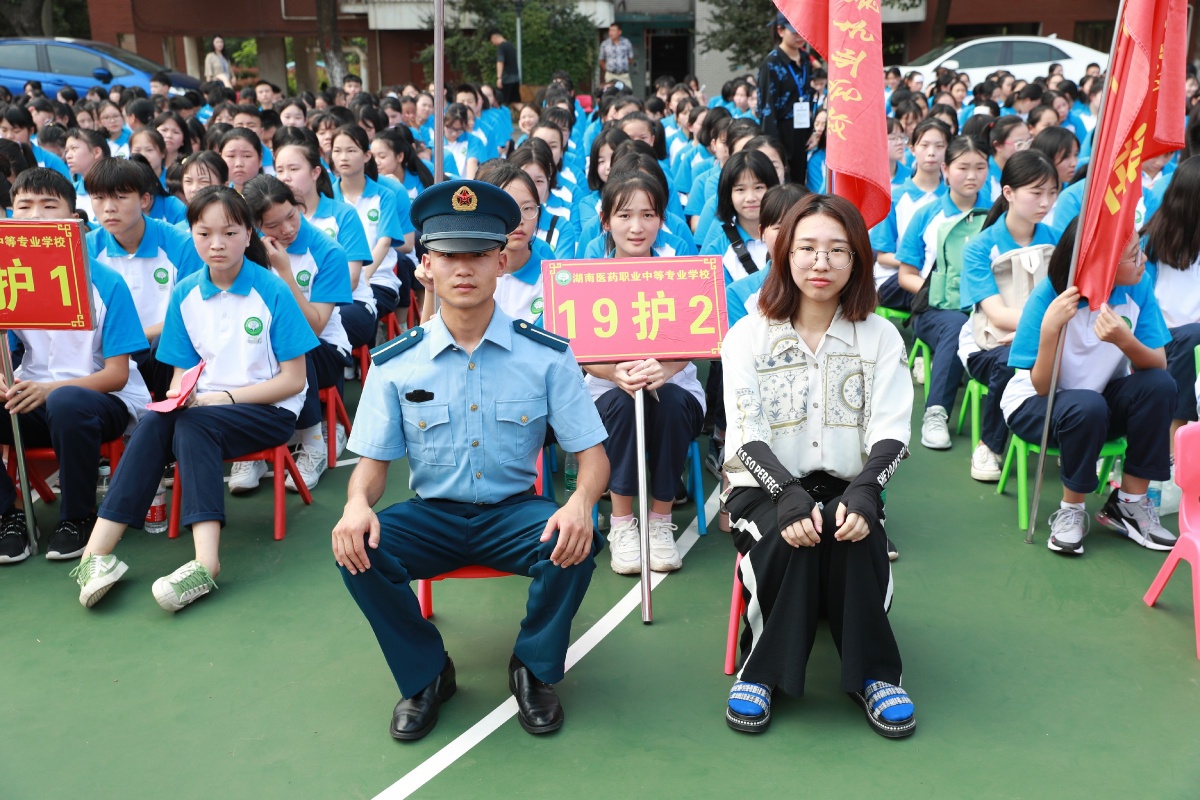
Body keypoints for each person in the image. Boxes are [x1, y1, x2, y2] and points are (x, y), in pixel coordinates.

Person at [332, 179, 609, 741]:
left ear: (501, 262)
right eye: (448, 255)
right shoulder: (396, 363)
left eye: (479, 254)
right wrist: (356, 504)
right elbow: (372, 467)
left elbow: (593, 456)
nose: (464, 268)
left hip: (514, 514)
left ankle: (532, 667)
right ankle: (427, 673)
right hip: (432, 515)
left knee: (577, 540)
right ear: (426, 266)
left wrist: (582, 501)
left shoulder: (547, 356)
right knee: (355, 548)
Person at [720, 194, 915, 738]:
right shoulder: (747, 336)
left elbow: (892, 430)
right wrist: (787, 494)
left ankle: (875, 675)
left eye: (837, 250)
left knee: (853, 531)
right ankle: (761, 670)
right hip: (760, 487)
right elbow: (746, 433)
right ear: (785, 255)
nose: (820, 263)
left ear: (857, 260)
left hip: (849, 482)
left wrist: (867, 492)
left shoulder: (880, 336)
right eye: (806, 248)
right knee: (791, 533)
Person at [71, 186, 317, 610]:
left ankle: (206, 563)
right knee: (156, 420)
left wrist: (224, 398)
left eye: (230, 233)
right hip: (205, 408)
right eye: (204, 234)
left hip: (269, 410)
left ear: (248, 235)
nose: (216, 244)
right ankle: (96, 556)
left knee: (193, 425)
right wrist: (178, 394)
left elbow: (295, 381)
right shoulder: (184, 292)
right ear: (192, 235)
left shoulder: (272, 290)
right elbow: (181, 373)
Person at [0, 169, 151, 564]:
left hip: (102, 401)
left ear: (73, 219)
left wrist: (50, 391)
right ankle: (9, 516)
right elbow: (7, 353)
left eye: (48, 206)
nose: (35, 216)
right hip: (31, 394)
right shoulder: (8, 277)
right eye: (24, 207)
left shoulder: (106, 283)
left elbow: (117, 374)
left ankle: (78, 517)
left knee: (66, 401)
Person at [1002, 220, 1177, 555]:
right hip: (1037, 406)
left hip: (1099, 401)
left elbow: (1158, 365)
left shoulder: (1138, 287)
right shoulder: (1051, 295)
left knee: (1159, 386)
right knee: (1086, 405)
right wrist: (1050, 330)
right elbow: (1041, 386)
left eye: (1140, 250)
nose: (1143, 260)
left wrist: (1125, 340)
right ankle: (1071, 510)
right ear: (1104, 264)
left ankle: (1129, 504)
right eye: (1134, 254)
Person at [582, 173, 704, 574]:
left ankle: (659, 521)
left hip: (674, 392)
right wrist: (615, 372)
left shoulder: (679, 273)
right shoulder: (589, 277)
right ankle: (622, 524)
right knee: (622, 400)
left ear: (661, 219)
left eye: (648, 215)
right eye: (624, 215)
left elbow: (692, 343)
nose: (637, 226)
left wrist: (665, 369)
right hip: (607, 394)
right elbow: (580, 353)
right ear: (606, 221)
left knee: (669, 401)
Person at [959, 150, 1060, 479]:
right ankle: (990, 445)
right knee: (1010, 358)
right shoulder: (979, 247)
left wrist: (1040, 333)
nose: (1045, 202)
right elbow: (998, 316)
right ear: (1008, 192)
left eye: (1052, 192)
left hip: (1046, 336)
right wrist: (1044, 330)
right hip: (989, 345)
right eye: (1036, 192)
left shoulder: (1059, 241)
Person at [896, 134, 992, 450]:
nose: (972, 175)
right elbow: (905, 276)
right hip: (935, 310)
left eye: (980, 167)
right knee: (956, 325)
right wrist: (938, 290)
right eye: (963, 167)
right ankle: (935, 413)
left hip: (990, 311)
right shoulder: (927, 214)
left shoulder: (997, 216)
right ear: (946, 169)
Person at [85, 158, 207, 400]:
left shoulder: (181, 245)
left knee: (165, 342)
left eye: (120, 197)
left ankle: (167, 412)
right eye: (98, 198)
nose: (109, 208)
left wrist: (131, 338)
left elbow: (192, 315)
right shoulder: (85, 249)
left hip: (160, 351)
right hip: (108, 354)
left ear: (144, 200)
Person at [756, 12, 816, 189]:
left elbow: (808, 96)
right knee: (783, 187)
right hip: (781, 133)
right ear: (780, 30)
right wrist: (772, 148)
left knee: (800, 186)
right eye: (794, 32)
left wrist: (813, 130)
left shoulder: (805, 60)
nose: (800, 36)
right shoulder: (771, 63)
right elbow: (767, 109)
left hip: (803, 132)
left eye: (802, 31)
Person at [489, 28, 521, 106]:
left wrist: (499, 78)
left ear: (494, 37)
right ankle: (524, 111)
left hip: (506, 79)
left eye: (491, 41)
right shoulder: (511, 45)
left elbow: (500, 62)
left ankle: (503, 114)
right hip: (515, 78)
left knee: (501, 102)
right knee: (516, 101)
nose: (492, 43)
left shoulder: (501, 47)